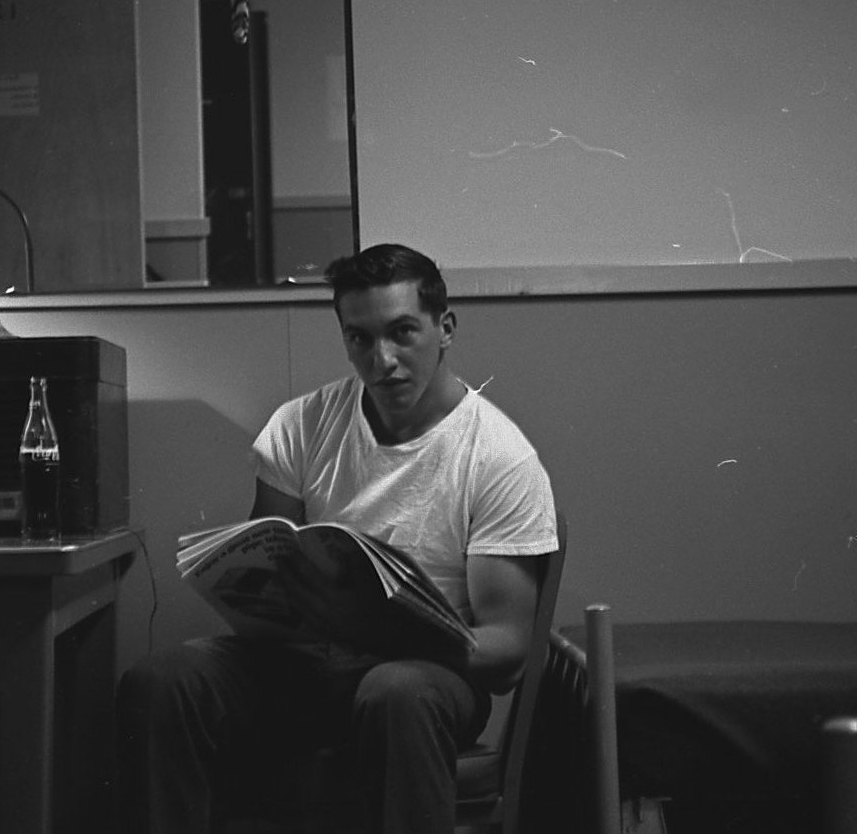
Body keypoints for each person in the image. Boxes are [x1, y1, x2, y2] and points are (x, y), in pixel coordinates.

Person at [116, 243, 557, 834]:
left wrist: (378, 631)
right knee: (162, 682)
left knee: (397, 692)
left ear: (445, 328)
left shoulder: (498, 458)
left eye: (402, 332)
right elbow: (267, 570)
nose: (383, 360)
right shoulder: (302, 425)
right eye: (360, 338)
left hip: (424, 675)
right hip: (304, 663)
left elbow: (506, 651)